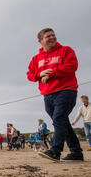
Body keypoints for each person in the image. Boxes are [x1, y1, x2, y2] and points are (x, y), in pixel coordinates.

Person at [27, 28, 83, 161]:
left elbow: (72, 66)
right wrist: (38, 74)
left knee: (59, 119)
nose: (52, 37)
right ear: (41, 41)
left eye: (53, 35)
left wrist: (51, 73)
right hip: (48, 95)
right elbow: (29, 74)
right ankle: (76, 152)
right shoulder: (36, 58)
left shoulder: (66, 50)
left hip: (66, 91)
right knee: (62, 122)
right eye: (48, 36)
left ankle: (55, 151)